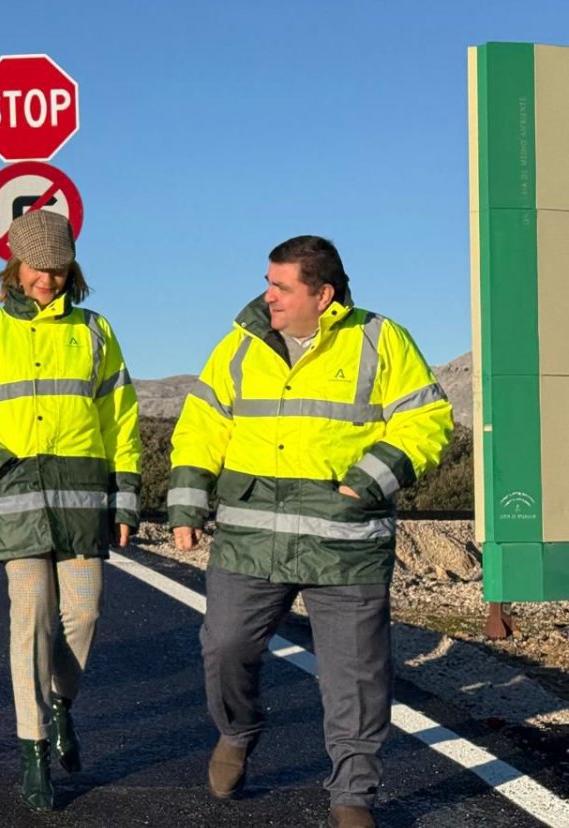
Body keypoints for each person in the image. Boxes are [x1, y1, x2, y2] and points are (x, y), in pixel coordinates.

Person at [168, 235, 452, 828]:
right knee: (225, 647)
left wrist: (370, 480)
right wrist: (188, 504)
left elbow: (426, 418)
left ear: (322, 294)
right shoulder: (241, 344)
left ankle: (352, 795)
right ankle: (238, 731)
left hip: (345, 539)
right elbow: (201, 424)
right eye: (268, 282)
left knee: (355, 676)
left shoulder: (381, 339)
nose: (267, 295)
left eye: (281, 286)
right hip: (250, 539)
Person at [0, 210, 141, 811]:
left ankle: (60, 706)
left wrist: (124, 494)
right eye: (37, 267)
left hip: (80, 498)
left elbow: (120, 418)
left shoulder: (96, 331)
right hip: (15, 497)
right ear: (14, 267)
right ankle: (32, 752)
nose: (47, 278)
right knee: (29, 623)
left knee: (84, 612)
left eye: (57, 268)